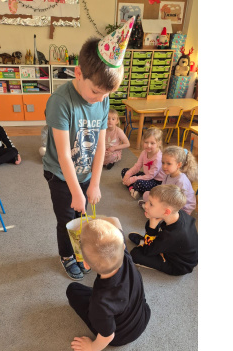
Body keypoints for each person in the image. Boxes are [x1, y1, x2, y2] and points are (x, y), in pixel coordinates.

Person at [43, 17, 135, 280]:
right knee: (67, 219)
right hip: (60, 175)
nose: (101, 99)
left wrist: (94, 183)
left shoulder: (102, 99)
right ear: (78, 73)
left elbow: (101, 144)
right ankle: (66, 255)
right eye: (96, 92)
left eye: (106, 95)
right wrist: (76, 191)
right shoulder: (60, 102)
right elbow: (63, 155)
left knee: (82, 216)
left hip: (85, 172)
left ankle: (80, 252)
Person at [67, 218, 151, 351]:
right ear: (123, 245)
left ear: (86, 265)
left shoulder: (100, 302)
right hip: (143, 314)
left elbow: (107, 336)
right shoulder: (125, 256)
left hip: (120, 335)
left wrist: (92, 348)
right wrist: (97, 223)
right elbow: (115, 220)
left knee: (73, 290)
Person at [129, 185, 198, 276]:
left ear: (166, 212)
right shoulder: (177, 214)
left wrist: (152, 227)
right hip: (172, 247)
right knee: (152, 223)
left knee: (135, 254)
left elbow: (147, 251)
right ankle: (149, 243)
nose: (146, 205)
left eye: (151, 204)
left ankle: (147, 244)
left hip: (178, 265)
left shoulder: (171, 236)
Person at [138, 146, 198, 215]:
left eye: (168, 163)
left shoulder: (181, 181)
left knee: (159, 207)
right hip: (169, 200)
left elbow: (179, 203)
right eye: (163, 163)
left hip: (181, 209)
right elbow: (162, 189)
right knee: (147, 194)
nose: (164, 166)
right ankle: (152, 208)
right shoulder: (167, 174)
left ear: (178, 165)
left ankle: (152, 209)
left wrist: (160, 202)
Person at [120, 127, 165, 199]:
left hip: (156, 181)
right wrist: (128, 174)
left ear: (159, 143)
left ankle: (132, 187)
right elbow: (137, 166)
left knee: (139, 183)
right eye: (146, 142)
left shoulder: (158, 158)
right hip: (146, 176)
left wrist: (133, 179)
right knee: (125, 171)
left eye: (152, 143)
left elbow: (150, 176)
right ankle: (132, 189)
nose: (148, 145)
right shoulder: (144, 152)